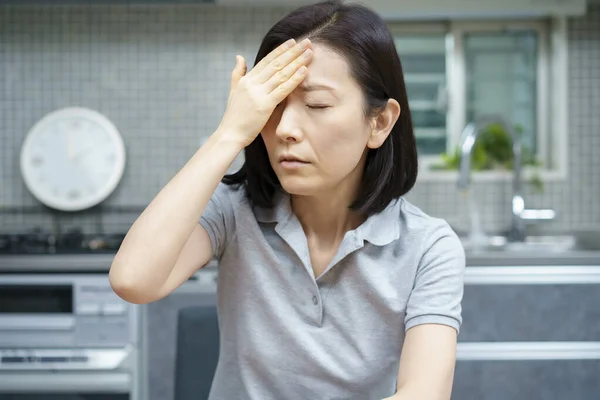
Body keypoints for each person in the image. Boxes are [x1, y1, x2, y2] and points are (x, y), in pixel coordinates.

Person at [109, 1, 465, 399]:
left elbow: (425, 392)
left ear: (379, 122)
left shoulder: (429, 246)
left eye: (316, 105)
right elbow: (132, 281)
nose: (286, 129)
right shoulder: (232, 210)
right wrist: (229, 134)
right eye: (273, 106)